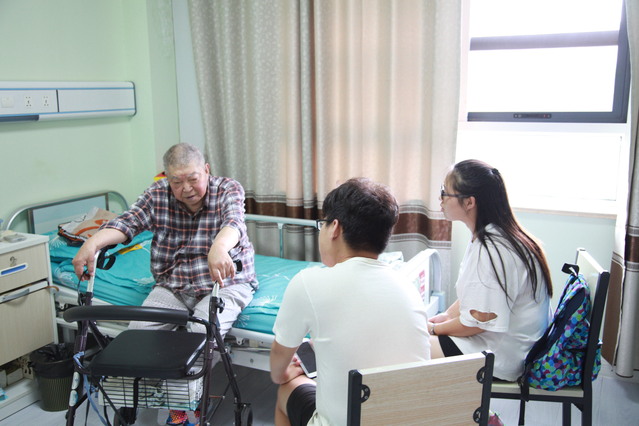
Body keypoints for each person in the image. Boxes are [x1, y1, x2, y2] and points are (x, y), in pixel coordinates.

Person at [72, 142, 257, 425]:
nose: (186, 188)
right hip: (174, 284)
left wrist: (219, 247)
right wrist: (92, 243)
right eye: (176, 181)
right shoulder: (157, 195)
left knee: (200, 334)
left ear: (206, 171)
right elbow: (128, 223)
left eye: (193, 178)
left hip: (225, 282)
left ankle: (182, 409)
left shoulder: (227, 189)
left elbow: (234, 223)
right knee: (139, 334)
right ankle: (143, 395)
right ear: (166, 177)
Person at [269, 178, 431, 426]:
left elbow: (279, 358)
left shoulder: (308, 283)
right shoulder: (406, 286)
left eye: (322, 224)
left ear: (335, 228)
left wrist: (281, 374)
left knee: (286, 390)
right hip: (410, 420)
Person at [429, 159, 552, 381]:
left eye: (445, 192)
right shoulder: (492, 236)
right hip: (503, 342)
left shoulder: (493, 250)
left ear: (469, 202)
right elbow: (476, 299)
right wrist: (446, 316)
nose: (440, 198)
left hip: (502, 356)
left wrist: (434, 329)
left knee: (410, 349)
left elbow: (477, 322)